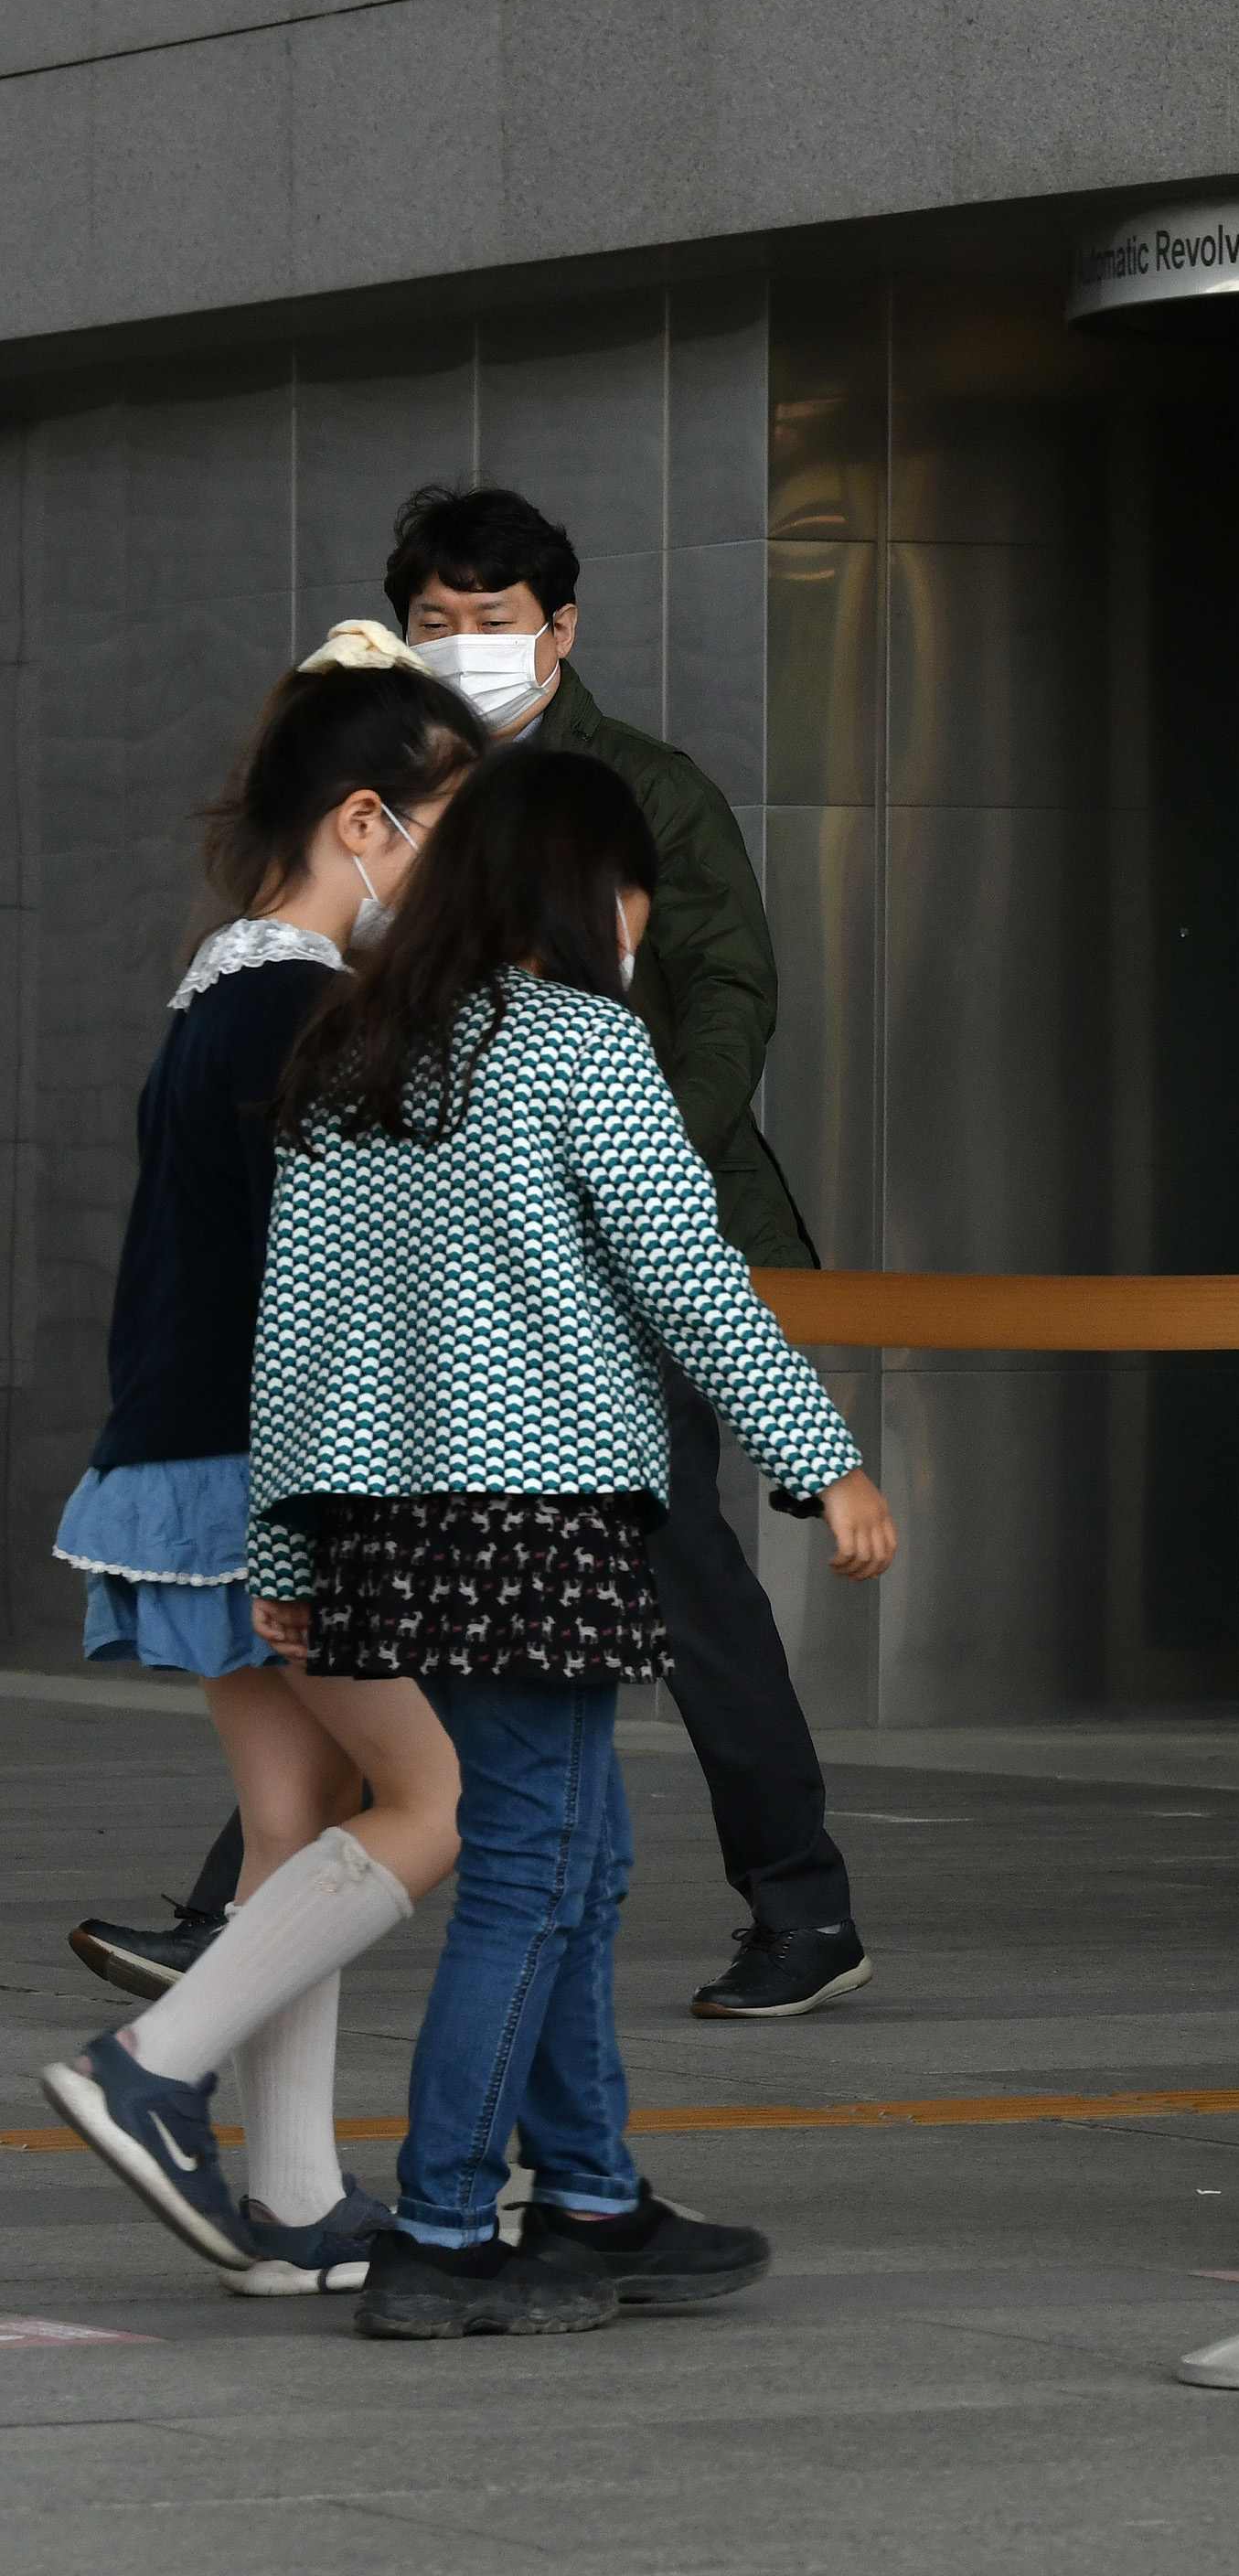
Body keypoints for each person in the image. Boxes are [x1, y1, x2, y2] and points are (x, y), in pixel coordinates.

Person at [78, 484, 868, 2026]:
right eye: (436, 619)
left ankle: (801, 1898)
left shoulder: (643, 784)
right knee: (386, 1560)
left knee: (674, 1565)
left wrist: (621, 1147)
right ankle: (247, 1902)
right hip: (439, 1239)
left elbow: (724, 993)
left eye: (491, 619)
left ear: (558, 629)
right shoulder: (382, 788)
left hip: (603, 1218)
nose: (465, 643)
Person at [239, 745, 900, 2338]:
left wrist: (281, 1545)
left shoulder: (353, 1051)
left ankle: (594, 2193)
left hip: (383, 1520)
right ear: (594, 895)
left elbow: (293, 1323)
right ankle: (451, 2228)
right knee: (534, 1869)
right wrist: (825, 1463)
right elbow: (689, 1277)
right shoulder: (582, 1046)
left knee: (575, 1858)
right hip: (535, 1518)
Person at [36, 634, 485, 2301]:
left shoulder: (216, 992)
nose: (459, 882)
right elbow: (329, 1293)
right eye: (450, 837)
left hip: (184, 1452)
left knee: (301, 1818)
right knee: (438, 1800)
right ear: (364, 820)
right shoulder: (303, 1011)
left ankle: (293, 2197)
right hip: (267, 1467)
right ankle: (154, 2067)